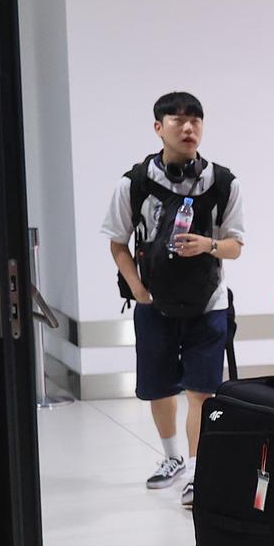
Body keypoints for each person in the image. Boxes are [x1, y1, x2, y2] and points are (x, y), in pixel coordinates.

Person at [104, 91, 245, 509]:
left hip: (209, 303)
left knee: (202, 391)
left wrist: (208, 245)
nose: (188, 128)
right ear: (158, 127)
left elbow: (236, 245)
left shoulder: (223, 183)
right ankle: (172, 459)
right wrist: (138, 289)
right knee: (158, 388)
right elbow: (117, 243)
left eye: (195, 120)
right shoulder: (133, 184)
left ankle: (199, 476)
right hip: (154, 304)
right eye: (177, 119)